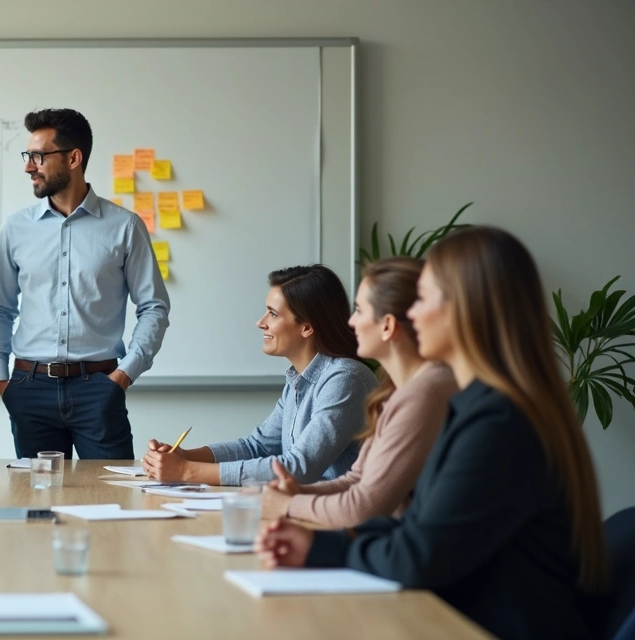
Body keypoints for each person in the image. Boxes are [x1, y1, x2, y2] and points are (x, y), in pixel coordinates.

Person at [256, 227, 608, 640]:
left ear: (465, 309)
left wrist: (316, 544)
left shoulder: (498, 422)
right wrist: (311, 533)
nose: (411, 314)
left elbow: (418, 555)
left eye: (422, 299)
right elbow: (420, 527)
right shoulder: (479, 405)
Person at [0, 108, 170, 460]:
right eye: (28, 156)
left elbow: (153, 307)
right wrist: (1, 379)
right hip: (29, 388)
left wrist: (124, 376)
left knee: (110, 501)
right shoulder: (16, 228)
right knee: (39, 508)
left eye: (38, 156)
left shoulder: (124, 227)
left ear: (73, 158)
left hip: (98, 388)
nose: (28, 166)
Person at [262, 257, 457, 526]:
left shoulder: (423, 392)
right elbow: (357, 478)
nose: (351, 323)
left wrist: (289, 503)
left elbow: (363, 506)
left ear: (387, 325)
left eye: (359, 311)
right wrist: (294, 494)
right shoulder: (396, 389)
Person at [143, 265, 375, 485]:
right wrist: (183, 456)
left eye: (273, 314)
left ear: (306, 327)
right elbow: (257, 447)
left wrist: (186, 471)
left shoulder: (345, 379)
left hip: (345, 521)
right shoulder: (299, 379)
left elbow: (299, 469)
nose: (260, 323)